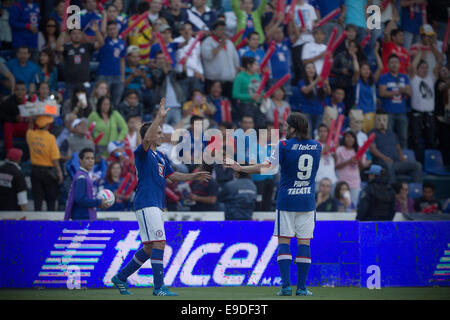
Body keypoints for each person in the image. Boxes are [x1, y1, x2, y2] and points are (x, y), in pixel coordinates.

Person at [111, 99, 211, 296]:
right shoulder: (142, 152)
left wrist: (194, 175)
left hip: (156, 204)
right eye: (157, 132)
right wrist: (159, 117)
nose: (161, 135)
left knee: (149, 248)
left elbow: (173, 176)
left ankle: (120, 278)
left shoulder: (161, 157)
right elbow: (147, 138)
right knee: (159, 243)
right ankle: (159, 288)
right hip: (146, 202)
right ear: (147, 136)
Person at [225, 112, 321, 296]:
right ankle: (301, 288)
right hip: (307, 201)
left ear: (294, 127)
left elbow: (267, 166)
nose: (284, 128)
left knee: (284, 241)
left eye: (287, 125)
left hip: (286, 200)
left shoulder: (283, 145)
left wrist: (241, 168)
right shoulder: (317, 146)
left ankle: (286, 287)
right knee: (304, 243)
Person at [368, 109, 422, 184]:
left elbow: (398, 147)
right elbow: (372, 149)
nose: (381, 122)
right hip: (381, 163)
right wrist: (385, 158)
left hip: (396, 162)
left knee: (417, 165)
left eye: (384, 120)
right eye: (379, 120)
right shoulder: (372, 133)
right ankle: (393, 190)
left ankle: (417, 190)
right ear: (375, 120)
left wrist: (401, 156)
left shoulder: (392, 133)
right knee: (389, 165)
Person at [56, 24, 104, 100]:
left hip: (84, 82)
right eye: (74, 33)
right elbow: (58, 48)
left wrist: (96, 31)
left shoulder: (87, 46)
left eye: (78, 33)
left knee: (85, 104)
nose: (76, 35)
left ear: (82, 35)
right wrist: (62, 34)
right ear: (70, 36)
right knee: (70, 102)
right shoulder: (67, 47)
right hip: (70, 82)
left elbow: (101, 43)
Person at [26, 115, 63, 211]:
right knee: (51, 199)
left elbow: (29, 129)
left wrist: (31, 121)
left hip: (34, 170)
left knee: (37, 199)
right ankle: (51, 222)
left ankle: (37, 222)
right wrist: (59, 172)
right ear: (46, 125)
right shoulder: (51, 138)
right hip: (48, 172)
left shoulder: (31, 135)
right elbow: (54, 158)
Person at [64, 148, 110, 220]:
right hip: (82, 219)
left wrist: (98, 204)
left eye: (92, 158)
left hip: (84, 218)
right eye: (87, 158)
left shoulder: (84, 175)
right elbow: (80, 199)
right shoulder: (81, 177)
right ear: (81, 161)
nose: (90, 161)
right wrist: (99, 202)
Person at [377, 54, 411, 149]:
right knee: (388, 136)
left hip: (401, 112)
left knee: (403, 137)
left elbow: (409, 92)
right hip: (388, 112)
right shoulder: (384, 77)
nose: (394, 65)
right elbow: (382, 93)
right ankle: (389, 155)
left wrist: (405, 91)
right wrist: (399, 91)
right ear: (387, 65)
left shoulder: (405, 77)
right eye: (391, 62)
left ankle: (404, 157)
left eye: (396, 62)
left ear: (400, 65)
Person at [335, 131, 370, 206]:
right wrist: (349, 161)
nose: (349, 139)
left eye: (352, 137)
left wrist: (360, 160)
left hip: (355, 183)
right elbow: (336, 166)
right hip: (342, 182)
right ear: (344, 139)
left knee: (353, 205)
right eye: (347, 137)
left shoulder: (358, 150)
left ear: (355, 139)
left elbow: (362, 167)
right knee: (342, 205)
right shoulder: (340, 149)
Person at [97, 20, 127, 107]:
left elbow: (122, 60)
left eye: (114, 29)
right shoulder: (104, 40)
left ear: (117, 29)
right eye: (109, 29)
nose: (112, 31)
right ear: (107, 31)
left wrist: (123, 77)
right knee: (102, 99)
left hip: (117, 75)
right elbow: (102, 31)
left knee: (116, 100)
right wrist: (105, 14)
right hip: (104, 74)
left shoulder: (122, 43)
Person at [0, 81, 28, 151]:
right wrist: (15, 119)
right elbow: (2, 116)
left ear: (25, 91)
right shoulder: (8, 102)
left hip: (27, 128)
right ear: (14, 91)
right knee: (7, 125)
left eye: (22, 90)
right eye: (17, 90)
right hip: (14, 127)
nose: (20, 92)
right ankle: (10, 154)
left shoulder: (30, 101)